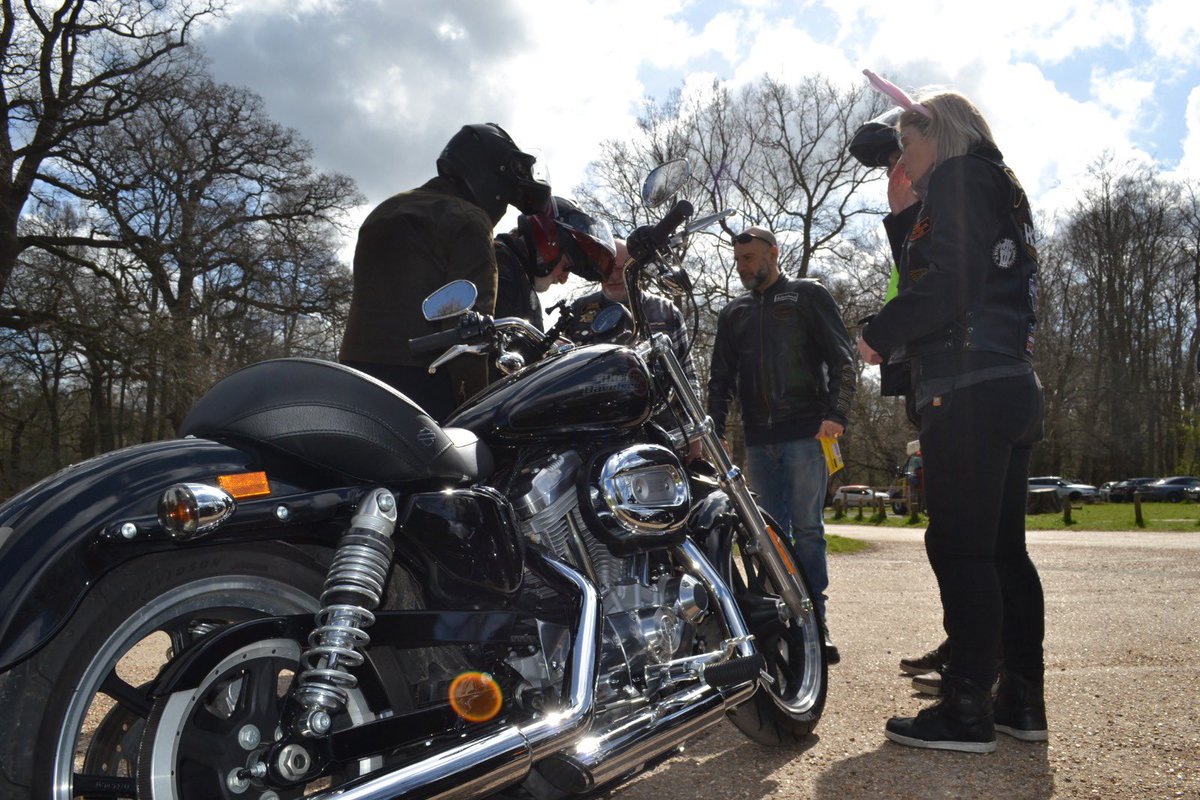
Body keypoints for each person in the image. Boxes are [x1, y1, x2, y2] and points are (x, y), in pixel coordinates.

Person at [857, 87, 1046, 753]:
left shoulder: (961, 176)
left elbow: (948, 281)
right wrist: (906, 216)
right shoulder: (999, 185)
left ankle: (966, 707)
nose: (901, 159)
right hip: (1010, 381)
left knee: (960, 548)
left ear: (938, 135)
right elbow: (958, 266)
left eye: (907, 144)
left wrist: (879, 332)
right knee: (1003, 552)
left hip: (967, 387)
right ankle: (1020, 699)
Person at [707, 226, 857, 664]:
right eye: (738, 260)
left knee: (807, 531)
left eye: (750, 258)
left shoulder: (808, 295)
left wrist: (837, 414)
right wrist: (714, 430)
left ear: (773, 253)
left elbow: (843, 358)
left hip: (807, 433)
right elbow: (720, 379)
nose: (742, 266)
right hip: (758, 440)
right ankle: (781, 620)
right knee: (767, 535)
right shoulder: (733, 313)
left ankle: (815, 623)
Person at [339, 123, 551, 421]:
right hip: (422, 391)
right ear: (488, 178)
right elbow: (468, 332)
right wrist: (476, 409)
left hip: (355, 380)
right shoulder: (469, 220)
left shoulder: (386, 209)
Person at [850, 112, 952, 693]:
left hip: (953, 377)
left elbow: (931, 284)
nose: (897, 171)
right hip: (922, 374)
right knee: (947, 531)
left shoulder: (951, 202)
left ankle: (977, 662)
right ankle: (965, 644)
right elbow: (909, 281)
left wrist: (906, 217)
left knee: (966, 538)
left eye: (902, 155)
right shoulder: (920, 213)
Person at [570, 238, 702, 461]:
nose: (613, 276)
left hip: (663, 431)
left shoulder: (666, 310)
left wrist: (696, 431)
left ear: (637, 269)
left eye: (621, 269)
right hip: (596, 436)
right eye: (607, 268)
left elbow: (686, 376)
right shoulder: (578, 311)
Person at [494, 196, 616, 333]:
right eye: (567, 266)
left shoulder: (516, 276)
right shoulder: (498, 266)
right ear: (547, 244)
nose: (564, 280)